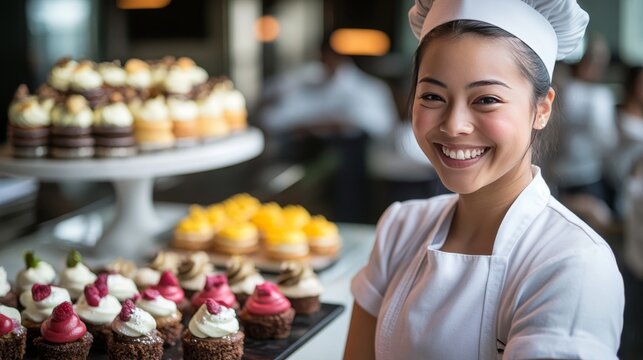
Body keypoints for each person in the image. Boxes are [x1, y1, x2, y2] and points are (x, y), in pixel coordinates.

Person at [344, 0, 624, 359]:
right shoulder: (400, 226)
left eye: (486, 99)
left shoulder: (572, 263)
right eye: (432, 96)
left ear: (541, 109)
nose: (454, 124)